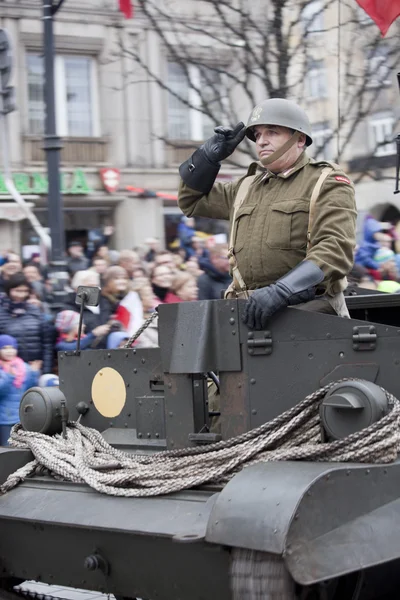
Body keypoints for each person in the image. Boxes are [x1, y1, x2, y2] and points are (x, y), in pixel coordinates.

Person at [178, 98, 357, 329]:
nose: (262, 141)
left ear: (299, 139)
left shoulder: (326, 181)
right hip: (247, 314)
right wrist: (207, 158)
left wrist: (282, 290)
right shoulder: (245, 187)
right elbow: (190, 201)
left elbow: (335, 248)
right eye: (258, 135)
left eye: (272, 132)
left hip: (308, 312)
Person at [0, 274, 55, 373]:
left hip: (35, 367)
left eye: (25, 291)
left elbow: (47, 343)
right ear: (9, 290)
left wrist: (46, 369)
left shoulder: (34, 310)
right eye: (17, 291)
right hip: (8, 370)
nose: (21, 295)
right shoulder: (2, 312)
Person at [0, 334, 40, 446]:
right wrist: (9, 377)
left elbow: (29, 390)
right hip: (4, 418)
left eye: (12, 347)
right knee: (7, 448)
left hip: (21, 416)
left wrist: (33, 373)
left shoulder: (23, 366)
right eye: (4, 348)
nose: (9, 351)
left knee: (22, 447)